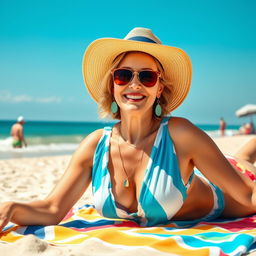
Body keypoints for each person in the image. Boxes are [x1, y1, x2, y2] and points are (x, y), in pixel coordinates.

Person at [1, 27, 256, 231]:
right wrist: (11, 207)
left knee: (242, 160)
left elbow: (247, 195)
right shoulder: (95, 146)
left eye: (147, 77)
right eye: (124, 75)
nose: (134, 85)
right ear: (112, 84)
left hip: (228, 195)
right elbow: (52, 209)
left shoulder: (180, 134)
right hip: (217, 169)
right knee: (242, 156)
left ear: (159, 89)